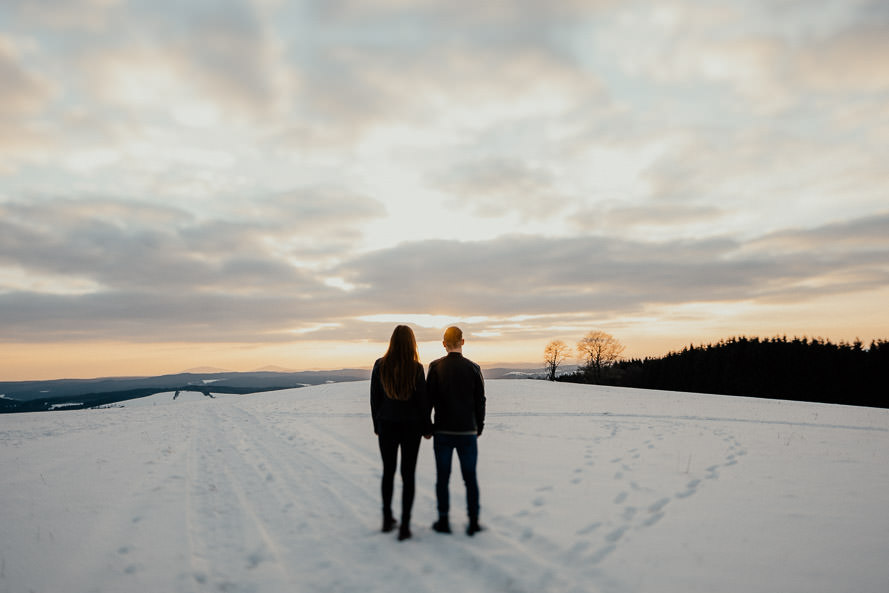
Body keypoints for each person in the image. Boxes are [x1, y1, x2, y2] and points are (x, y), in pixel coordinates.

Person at [370, 325, 432, 541]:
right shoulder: (416, 368)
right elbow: (422, 402)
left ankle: (387, 519)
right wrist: (427, 428)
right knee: (408, 475)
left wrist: (377, 425)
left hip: (387, 425)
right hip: (411, 428)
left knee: (388, 472)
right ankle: (405, 524)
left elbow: (375, 399)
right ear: (411, 343)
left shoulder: (380, 365)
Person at [426, 326, 486, 536]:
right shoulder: (474, 368)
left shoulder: (434, 367)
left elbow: (428, 401)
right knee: (470, 478)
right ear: (463, 341)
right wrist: (479, 425)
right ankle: (474, 521)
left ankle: (443, 520)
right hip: (467, 431)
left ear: (444, 344)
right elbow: (480, 401)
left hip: (442, 430)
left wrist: (428, 427)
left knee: (443, 477)